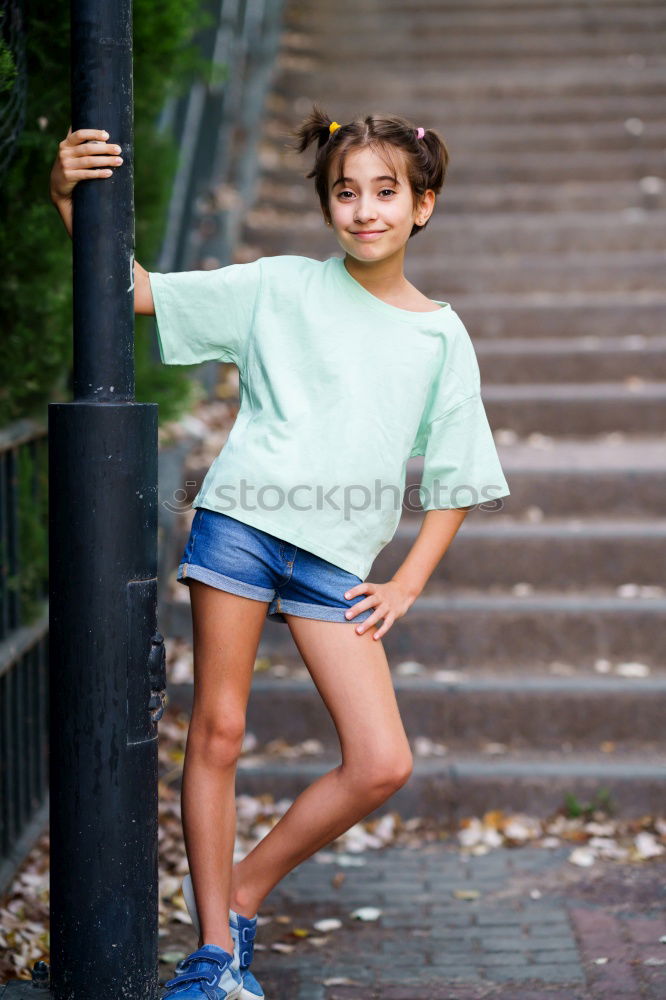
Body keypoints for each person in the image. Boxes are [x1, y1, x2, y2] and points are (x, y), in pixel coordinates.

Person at [49, 103, 511, 1000]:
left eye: (386, 192)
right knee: (217, 730)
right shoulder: (277, 286)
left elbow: (459, 475)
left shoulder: (439, 336)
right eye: (345, 192)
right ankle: (215, 954)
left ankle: (242, 894)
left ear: (424, 206)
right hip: (241, 528)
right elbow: (135, 289)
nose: (364, 210)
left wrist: (407, 582)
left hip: (337, 563)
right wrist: (67, 197)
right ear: (327, 204)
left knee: (381, 761)